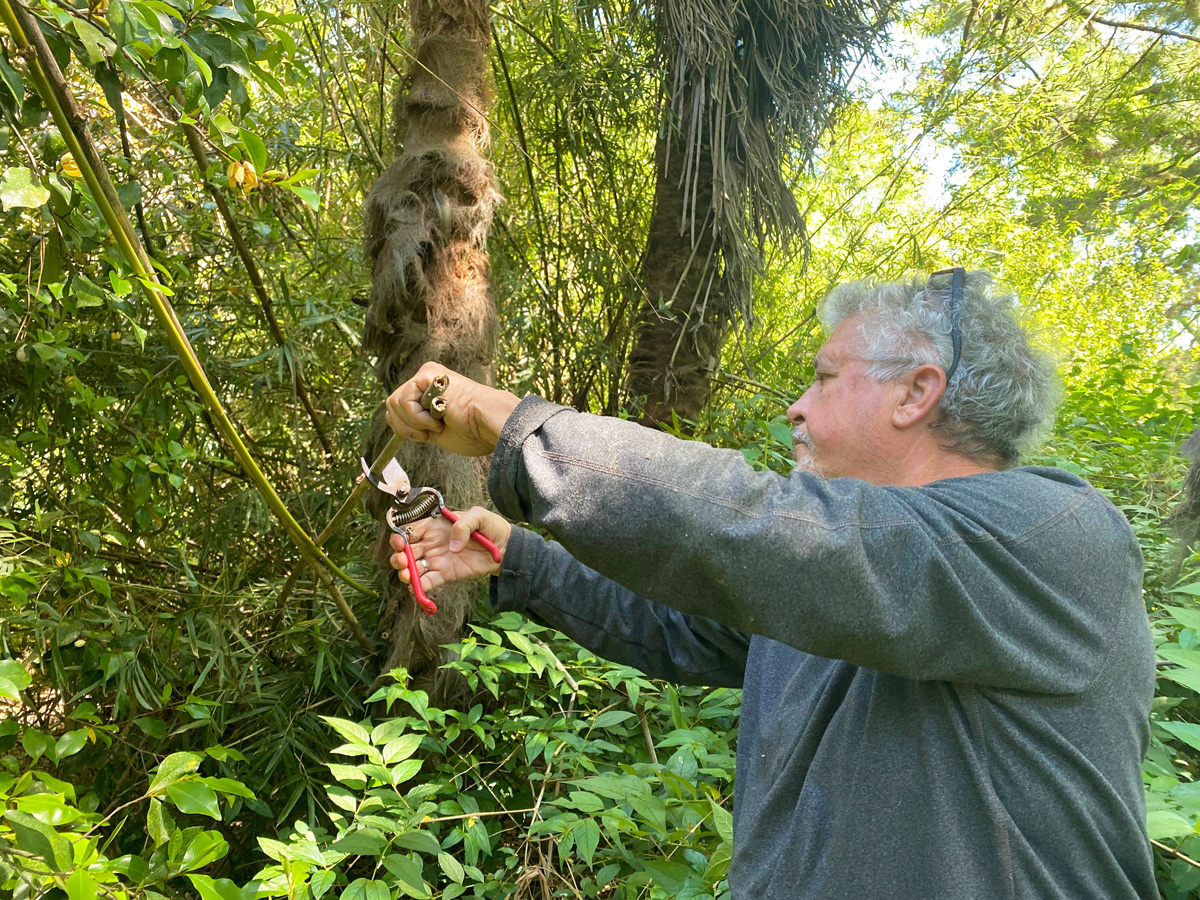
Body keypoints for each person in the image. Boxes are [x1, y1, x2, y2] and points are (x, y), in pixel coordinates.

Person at [383, 270, 1156, 900]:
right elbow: (676, 622)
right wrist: (516, 555)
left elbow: (750, 520)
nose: (797, 405)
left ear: (917, 393)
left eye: (823, 379)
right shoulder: (834, 580)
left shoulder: (1048, 536)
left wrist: (509, 423)